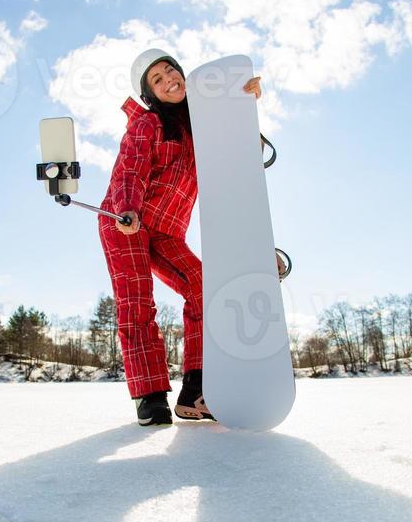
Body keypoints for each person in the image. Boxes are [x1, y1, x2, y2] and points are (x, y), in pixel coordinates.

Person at [99, 48, 282, 427]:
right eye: (158, 80)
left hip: (166, 230)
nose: (169, 80)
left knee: (202, 287)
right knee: (137, 303)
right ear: (150, 94)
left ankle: (196, 389)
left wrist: (239, 101)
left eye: (171, 71)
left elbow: (239, 153)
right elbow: (129, 170)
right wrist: (128, 209)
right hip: (125, 220)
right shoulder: (148, 124)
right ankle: (150, 399)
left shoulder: (202, 124)